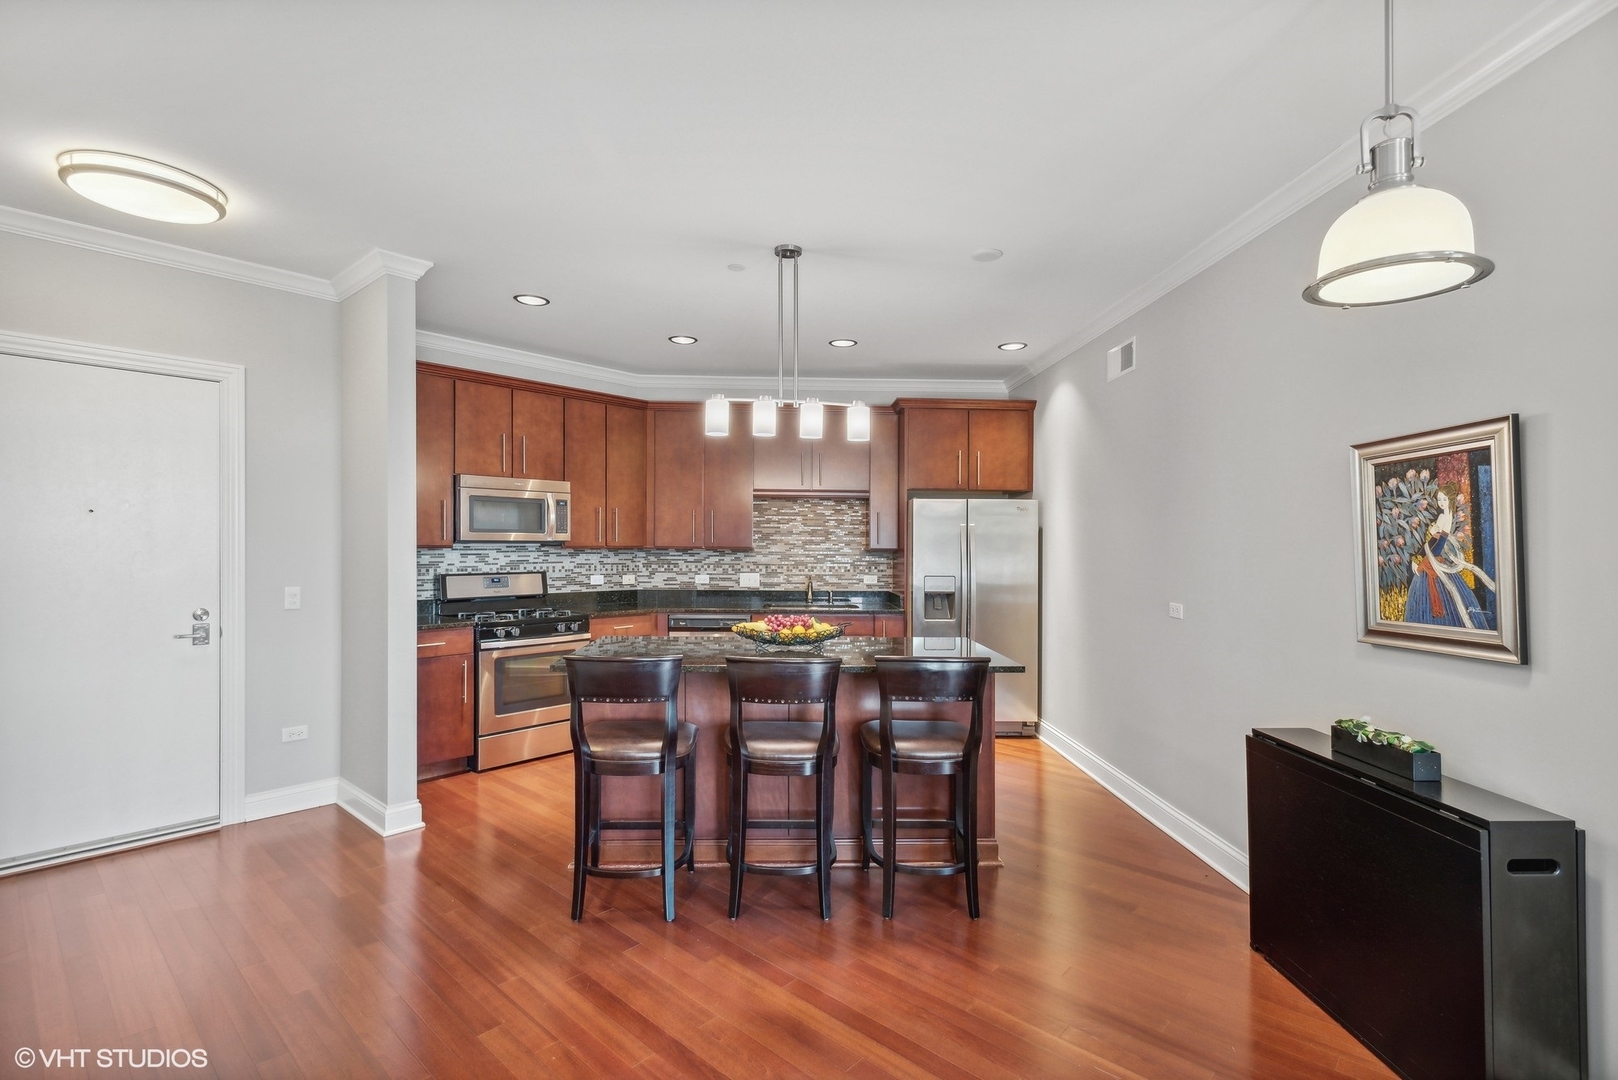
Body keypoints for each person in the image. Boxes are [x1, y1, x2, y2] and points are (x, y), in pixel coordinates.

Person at [1402, 486, 1495, 629]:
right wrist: (1420, 557)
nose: (1441, 502)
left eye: (1444, 499)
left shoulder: (1446, 517)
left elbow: (1437, 544)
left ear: (1450, 500)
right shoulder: (1444, 516)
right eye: (1439, 499)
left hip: (1433, 558)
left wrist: (1421, 561)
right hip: (1432, 557)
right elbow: (1432, 542)